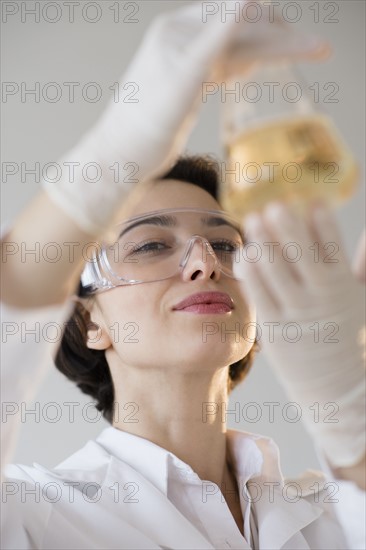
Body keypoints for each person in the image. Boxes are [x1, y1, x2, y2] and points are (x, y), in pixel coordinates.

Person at [1, 2, 365, 549]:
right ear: (87, 320)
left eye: (224, 243)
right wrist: (108, 161)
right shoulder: (34, 516)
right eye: (150, 245)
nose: (205, 263)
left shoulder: (332, 515)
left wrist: (350, 413)